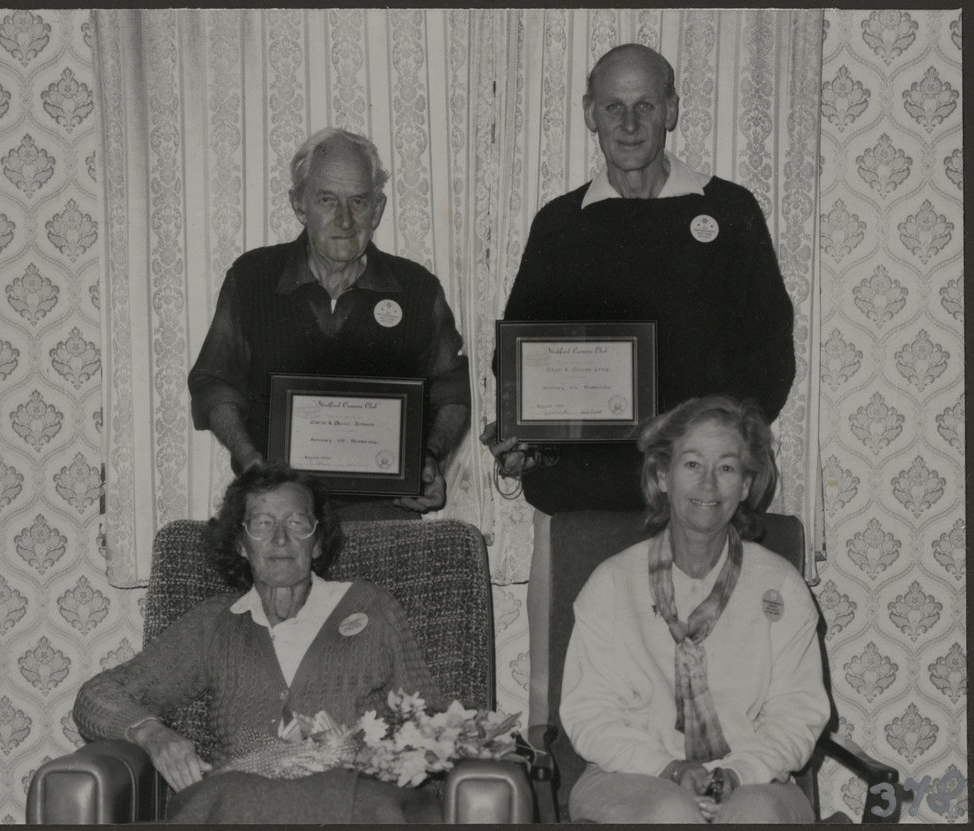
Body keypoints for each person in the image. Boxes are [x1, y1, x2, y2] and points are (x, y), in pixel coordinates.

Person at [483, 43, 795, 515]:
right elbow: (518, 363)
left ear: (670, 110)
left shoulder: (730, 212)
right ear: (591, 114)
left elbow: (770, 356)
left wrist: (701, 438)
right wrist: (530, 432)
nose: (629, 125)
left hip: (702, 492)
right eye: (614, 107)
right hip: (584, 494)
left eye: (645, 106)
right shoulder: (561, 224)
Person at [73, 463, 445, 823]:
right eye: (263, 524)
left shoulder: (371, 607)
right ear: (240, 542)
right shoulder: (216, 624)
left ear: (316, 542)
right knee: (230, 798)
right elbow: (98, 695)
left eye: (297, 523)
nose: (280, 539)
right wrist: (151, 733)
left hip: (354, 799)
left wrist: (397, 756)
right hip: (239, 802)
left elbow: (430, 716)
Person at [559, 396, 828, 823]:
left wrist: (737, 775)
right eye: (691, 465)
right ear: (663, 477)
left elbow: (797, 714)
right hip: (629, 776)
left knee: (756, 814)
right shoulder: (612, 583)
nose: (707, 485)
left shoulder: (781, 587)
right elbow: (589, 714)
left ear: (744, 485)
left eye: (725, 467)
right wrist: (668, 770)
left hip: (756, 780)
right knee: (671, 813)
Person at [189, 128, 470, 516]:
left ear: (378, 208)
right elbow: (213, 381)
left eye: (358, 201)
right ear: (299, 205)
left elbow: (453, 390)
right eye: (327, 200)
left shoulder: (417, 290)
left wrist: (429, 458)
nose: (345, 219)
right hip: (276, 509)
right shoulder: (253, 278)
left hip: (382, 512)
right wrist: (250, 458)